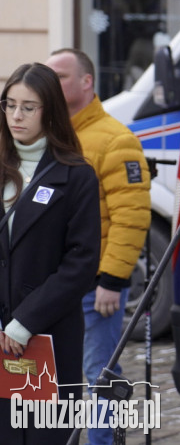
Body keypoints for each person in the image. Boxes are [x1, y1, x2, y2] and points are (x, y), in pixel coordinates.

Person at [44, 49, 151, 445]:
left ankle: (105, 441)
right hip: (53, 286)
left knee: (99, 372)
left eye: (60, 75)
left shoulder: (114, 139)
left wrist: (113, 278)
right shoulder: (49, 134)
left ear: (87, 82)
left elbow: (132, 215)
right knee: (52, 373)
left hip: (95, 288)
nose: (50, 81)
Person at [0, 63, 101, 445]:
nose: (16, 116)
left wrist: (25, 320)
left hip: (47, 337)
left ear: (50, 111)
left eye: (29, 107)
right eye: (9, 105)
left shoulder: (75, 176)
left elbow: (81, 264)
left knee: (45, 436)